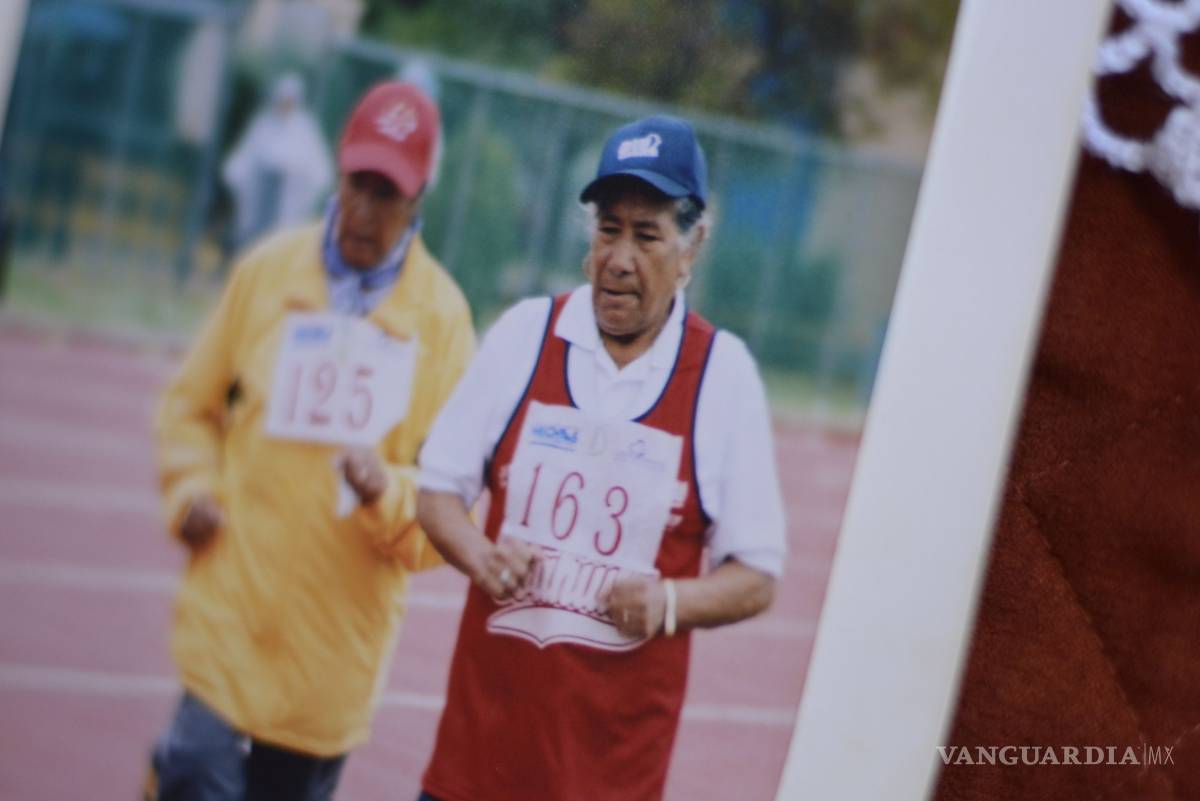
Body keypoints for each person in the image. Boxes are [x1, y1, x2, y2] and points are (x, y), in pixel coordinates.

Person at [415, 115, 787, 801]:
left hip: (611, 776)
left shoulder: (722, 376)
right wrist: (479, 552)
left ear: (691, 247)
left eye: (647, 235)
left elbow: (757, 575)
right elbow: (437, 490)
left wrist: (669, 600)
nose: (620, 257)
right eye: (608, 229)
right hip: (477, 761)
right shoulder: (526, 333)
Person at [147, 81, 474, 801]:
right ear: (336, 167)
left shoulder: (443, 322)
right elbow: (189, 406)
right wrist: (192, 490)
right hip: (233, 608)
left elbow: (449, 509)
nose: (364, 211)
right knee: (190, 771)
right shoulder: (268, 272)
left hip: (332, 652)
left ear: (419, 201)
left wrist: (384, 489)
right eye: (358, 183)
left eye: (387, 195)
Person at [221, 72, 333, 254]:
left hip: (287, 192)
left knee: (279, 237)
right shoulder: (264, 123)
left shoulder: (305, 128)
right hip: (261, 191)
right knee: (253, 238)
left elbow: (318, 169)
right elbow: (246, 156)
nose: (285, 105)